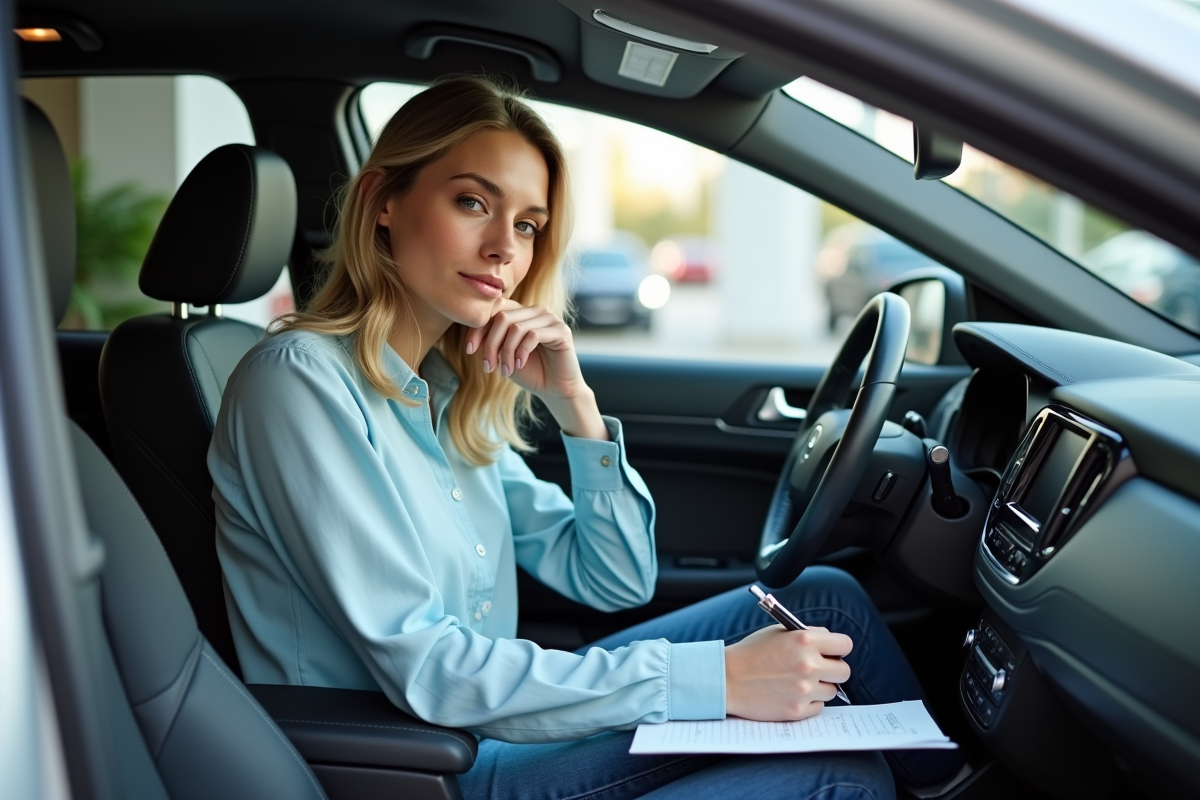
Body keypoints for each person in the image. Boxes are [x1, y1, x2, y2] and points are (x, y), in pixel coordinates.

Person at [209, 75, 962, 800]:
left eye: (529, 225)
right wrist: (717, 681)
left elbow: (613, 582)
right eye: (473, 201)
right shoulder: (300, 382)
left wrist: (577, 409)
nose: (506, 247)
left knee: (824, 599)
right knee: (843, 778)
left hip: (493, 717)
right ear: (382, 201)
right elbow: (429, 670)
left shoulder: (440, 395)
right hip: (428, 759)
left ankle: (950, 787)